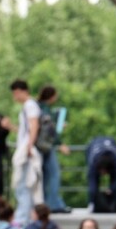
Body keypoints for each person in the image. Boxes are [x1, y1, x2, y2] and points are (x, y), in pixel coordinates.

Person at [10, 79, 44, 225]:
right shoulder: (29, 105)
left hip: (27, 150)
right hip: (25, 146)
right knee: (25, 185)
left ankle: (23, 218)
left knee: (24, 185)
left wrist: (29, 146)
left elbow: (33, 126)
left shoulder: (30, 105)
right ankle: (26, 216)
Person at [37, 85, 72, 213]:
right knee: (53, 175)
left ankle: (47, 203)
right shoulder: (45, 111)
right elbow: (50, 131)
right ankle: (54, 204)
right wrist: (59, 143)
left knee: (45, 177)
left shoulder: (38, 108)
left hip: (40, 147)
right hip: (46, 147)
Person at [85, 136, 116, 213]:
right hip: (93, 147)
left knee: (115, 180)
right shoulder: (93, 162)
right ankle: (92, 203)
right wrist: (93, 198)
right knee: (94, 181)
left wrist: (111, 189)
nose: (103, 174)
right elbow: (92, 183)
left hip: (112, 147)